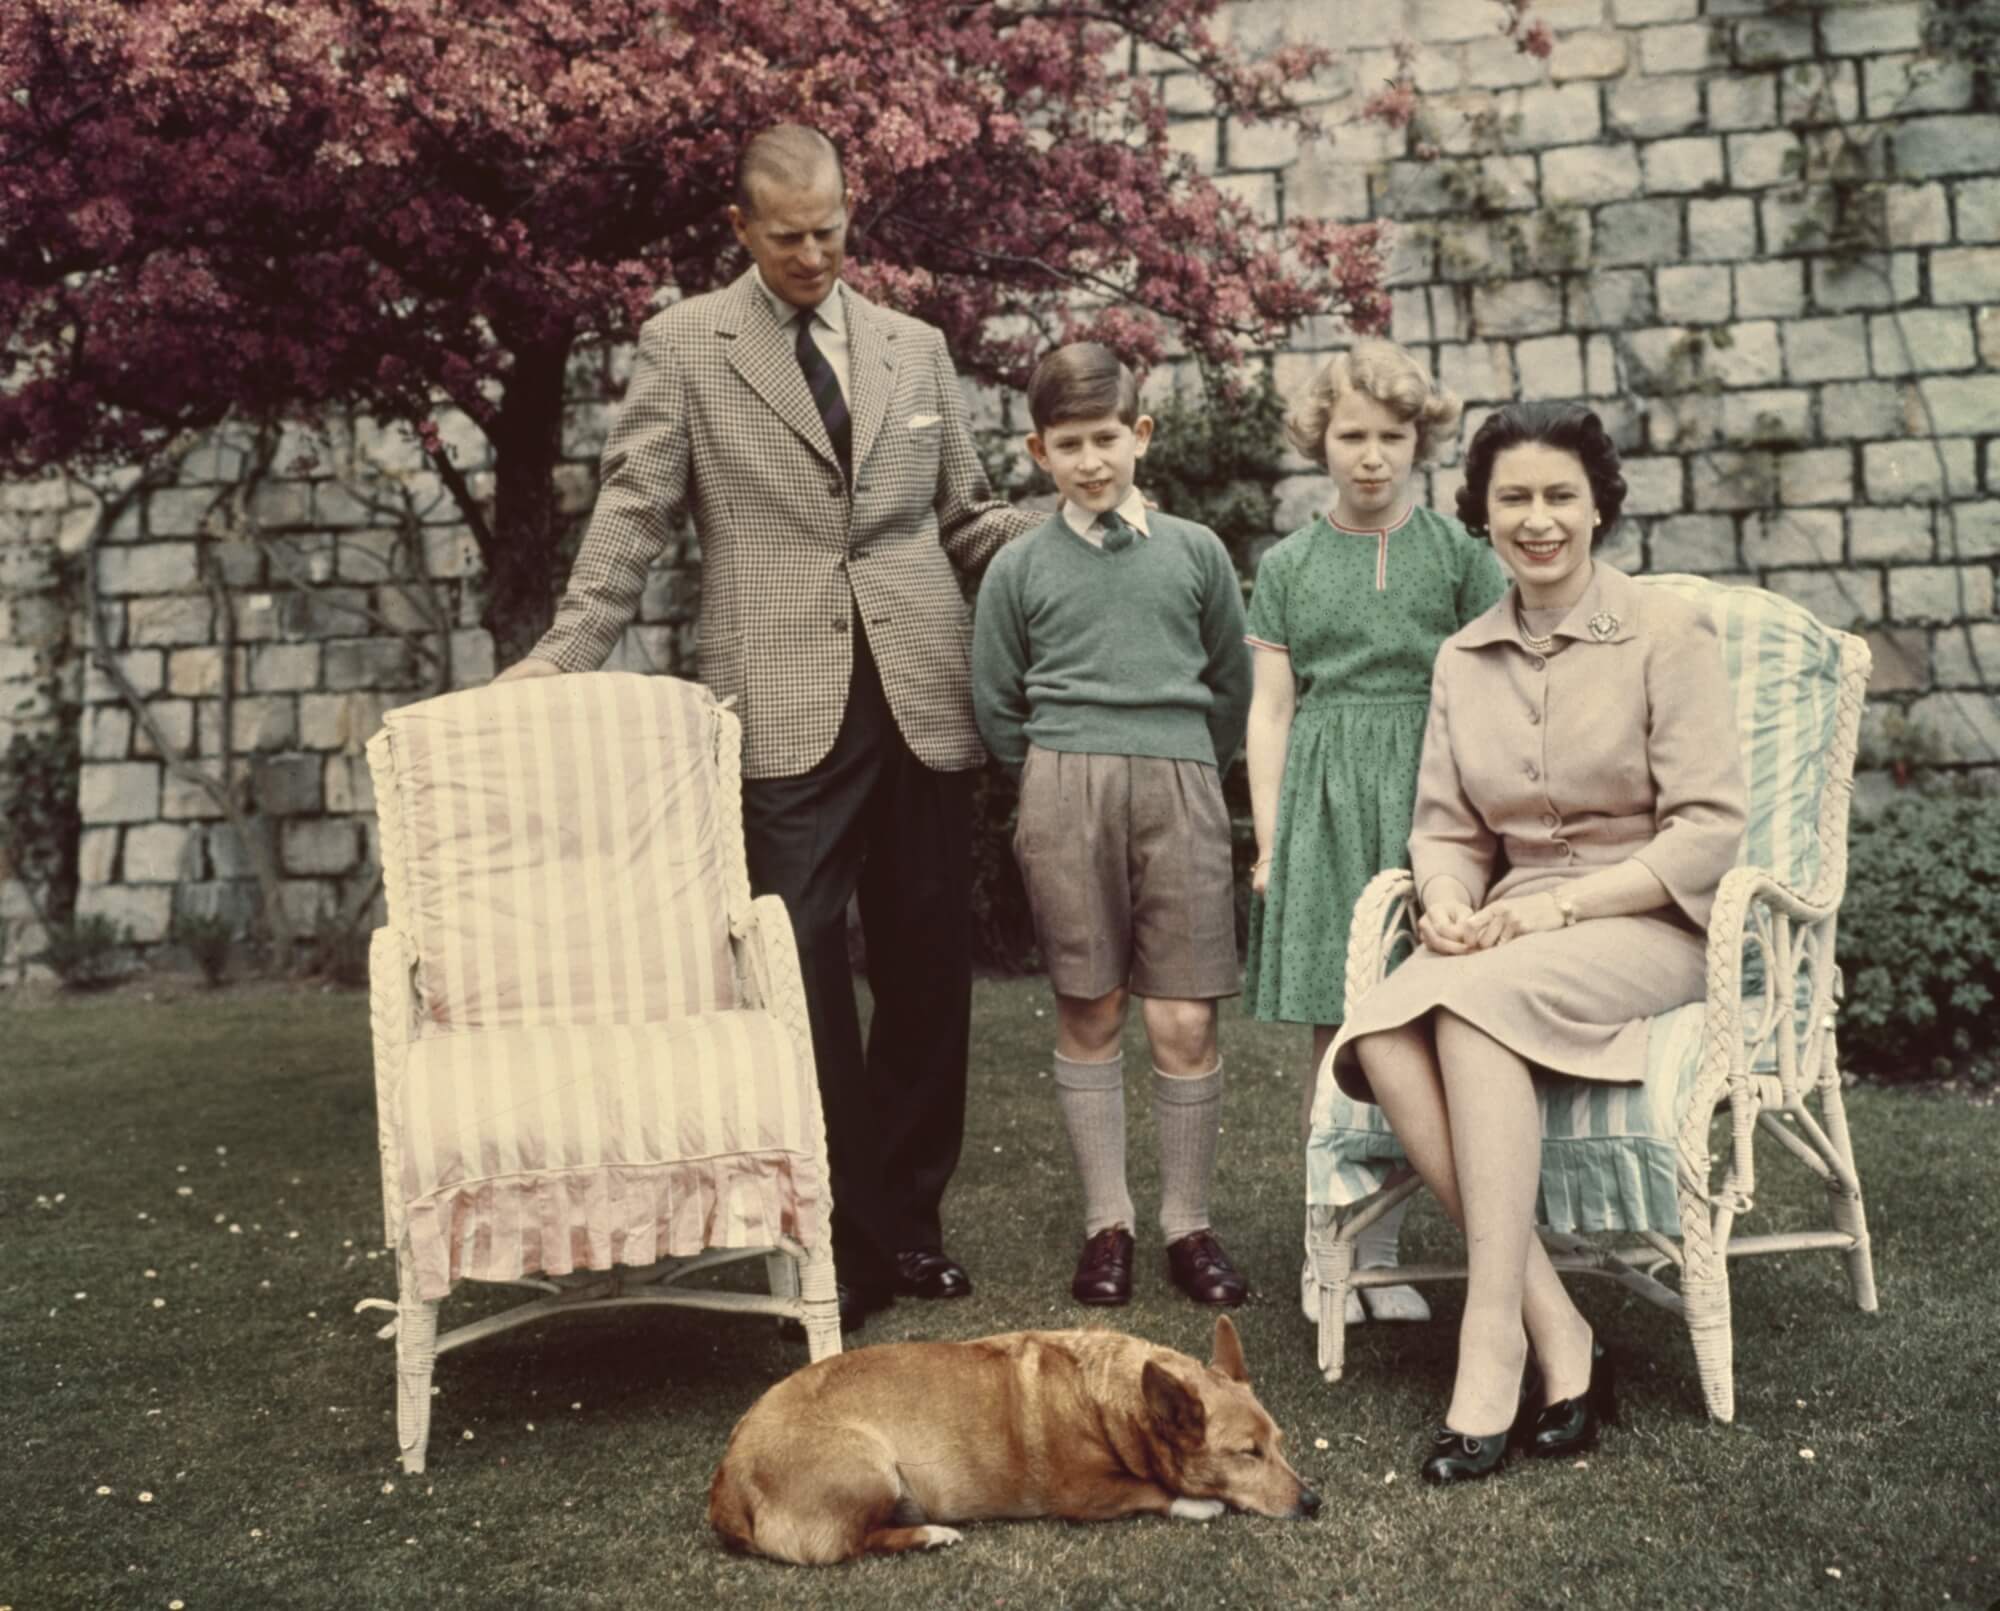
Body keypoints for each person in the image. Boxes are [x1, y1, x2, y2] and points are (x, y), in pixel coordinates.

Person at [497, 125, 1037, 1332]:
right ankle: (836, 1230)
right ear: (738, 229)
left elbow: (970, 519)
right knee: (792, 965)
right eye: (786, 235)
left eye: (830, 230)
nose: (812, 254)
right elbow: (634, 510)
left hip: (920, 684)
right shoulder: (686, 344)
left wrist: (1075, 541)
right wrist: (558, 654)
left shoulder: (915, 349)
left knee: (924, 964)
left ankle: (909, 1227)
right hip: (778, 698)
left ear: (853, 211)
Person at [1324, 401, 1747, 1485]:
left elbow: (1707, 826)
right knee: (1381, 1034)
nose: (1537, 518)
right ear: (1481, 515)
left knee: (1463, 1005)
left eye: (1559, 494)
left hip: (1643, 923)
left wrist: (1558, 908)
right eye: (1511, 497)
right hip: (1509, 931)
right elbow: (1445, 829)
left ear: (1598, 504)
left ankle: (1487, 1346)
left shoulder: (1664, 632)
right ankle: (1553, 1328)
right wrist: (1445, 898)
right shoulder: (1463, 660)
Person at [971, 343, 1254, 1308]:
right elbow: (996, 701)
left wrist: (1188, 772)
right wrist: (1055, 779)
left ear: (1140, 436)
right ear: (1038, 452)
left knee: (1182, 1013)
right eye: (1069, 444)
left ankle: (1188, 1223)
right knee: (1090, 1006)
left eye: (1107, 439)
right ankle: (1109, 1225)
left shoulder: (1196, 551)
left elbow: (1231, 686)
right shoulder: (1018, 567)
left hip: (1180, 780)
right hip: (1064, 786)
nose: (1092, 461)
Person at [1243, 341, 1507, 1325]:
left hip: (1430, 797)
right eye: (1350, 435)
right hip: (1323, 799)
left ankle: (1385, 1252)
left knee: (1424, 1023)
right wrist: (1270, 841)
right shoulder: (1289, 565)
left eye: (1389, 436)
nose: (1369, 455)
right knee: (1334, 1026)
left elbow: (1493, 693)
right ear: (1319, 441)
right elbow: (1269, 711)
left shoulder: (1458, 556)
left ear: (1418, 440)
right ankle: (1329, 1254)